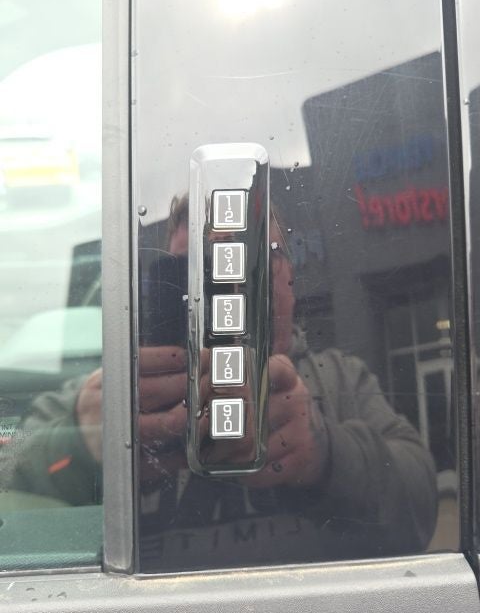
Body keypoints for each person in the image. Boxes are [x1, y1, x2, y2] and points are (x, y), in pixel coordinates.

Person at [0, 195, 438, 568]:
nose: (228, 285)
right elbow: (10, 473)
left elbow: (422, 506)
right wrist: (78, 443)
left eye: (255, 258)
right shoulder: (110, 394)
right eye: (193, 268)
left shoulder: (339, 379)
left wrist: (324, 454)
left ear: (289, 278)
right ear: (164, 288)